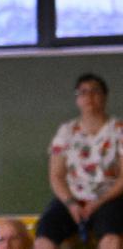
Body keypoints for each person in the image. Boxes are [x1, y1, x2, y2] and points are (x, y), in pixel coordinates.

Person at [35, 73, 123, 249]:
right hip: (72, 198)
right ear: (77, 99)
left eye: (95, 91)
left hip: (108, 198)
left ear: (104, 97)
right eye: (83, 92)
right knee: (44, 236)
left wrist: (98, 202)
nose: (89, 97)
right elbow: (56, 176)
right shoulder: (66, 131)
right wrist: (71, 203)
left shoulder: (118, 129)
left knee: (112, 238)